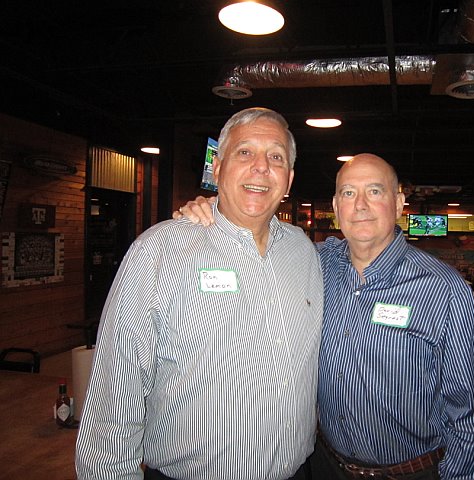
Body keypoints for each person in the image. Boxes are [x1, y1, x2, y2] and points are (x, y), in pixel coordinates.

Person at [177, 153, 474, 479]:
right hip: (326, 466)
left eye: (374, 191)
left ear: (398, 203)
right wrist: (218, 211)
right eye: (349, 193)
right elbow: (258, 243)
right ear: (336, 207)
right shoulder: (315, 263)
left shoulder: (442, 289)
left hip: (408, 472)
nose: (360, 205)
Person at [76, 108, 324, 480]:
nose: (261, 167)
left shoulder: (304, 251)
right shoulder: (160, 251)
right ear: (218, 169)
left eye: (276, 157)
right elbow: (116, 387)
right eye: (245, 152)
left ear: (287, 179)